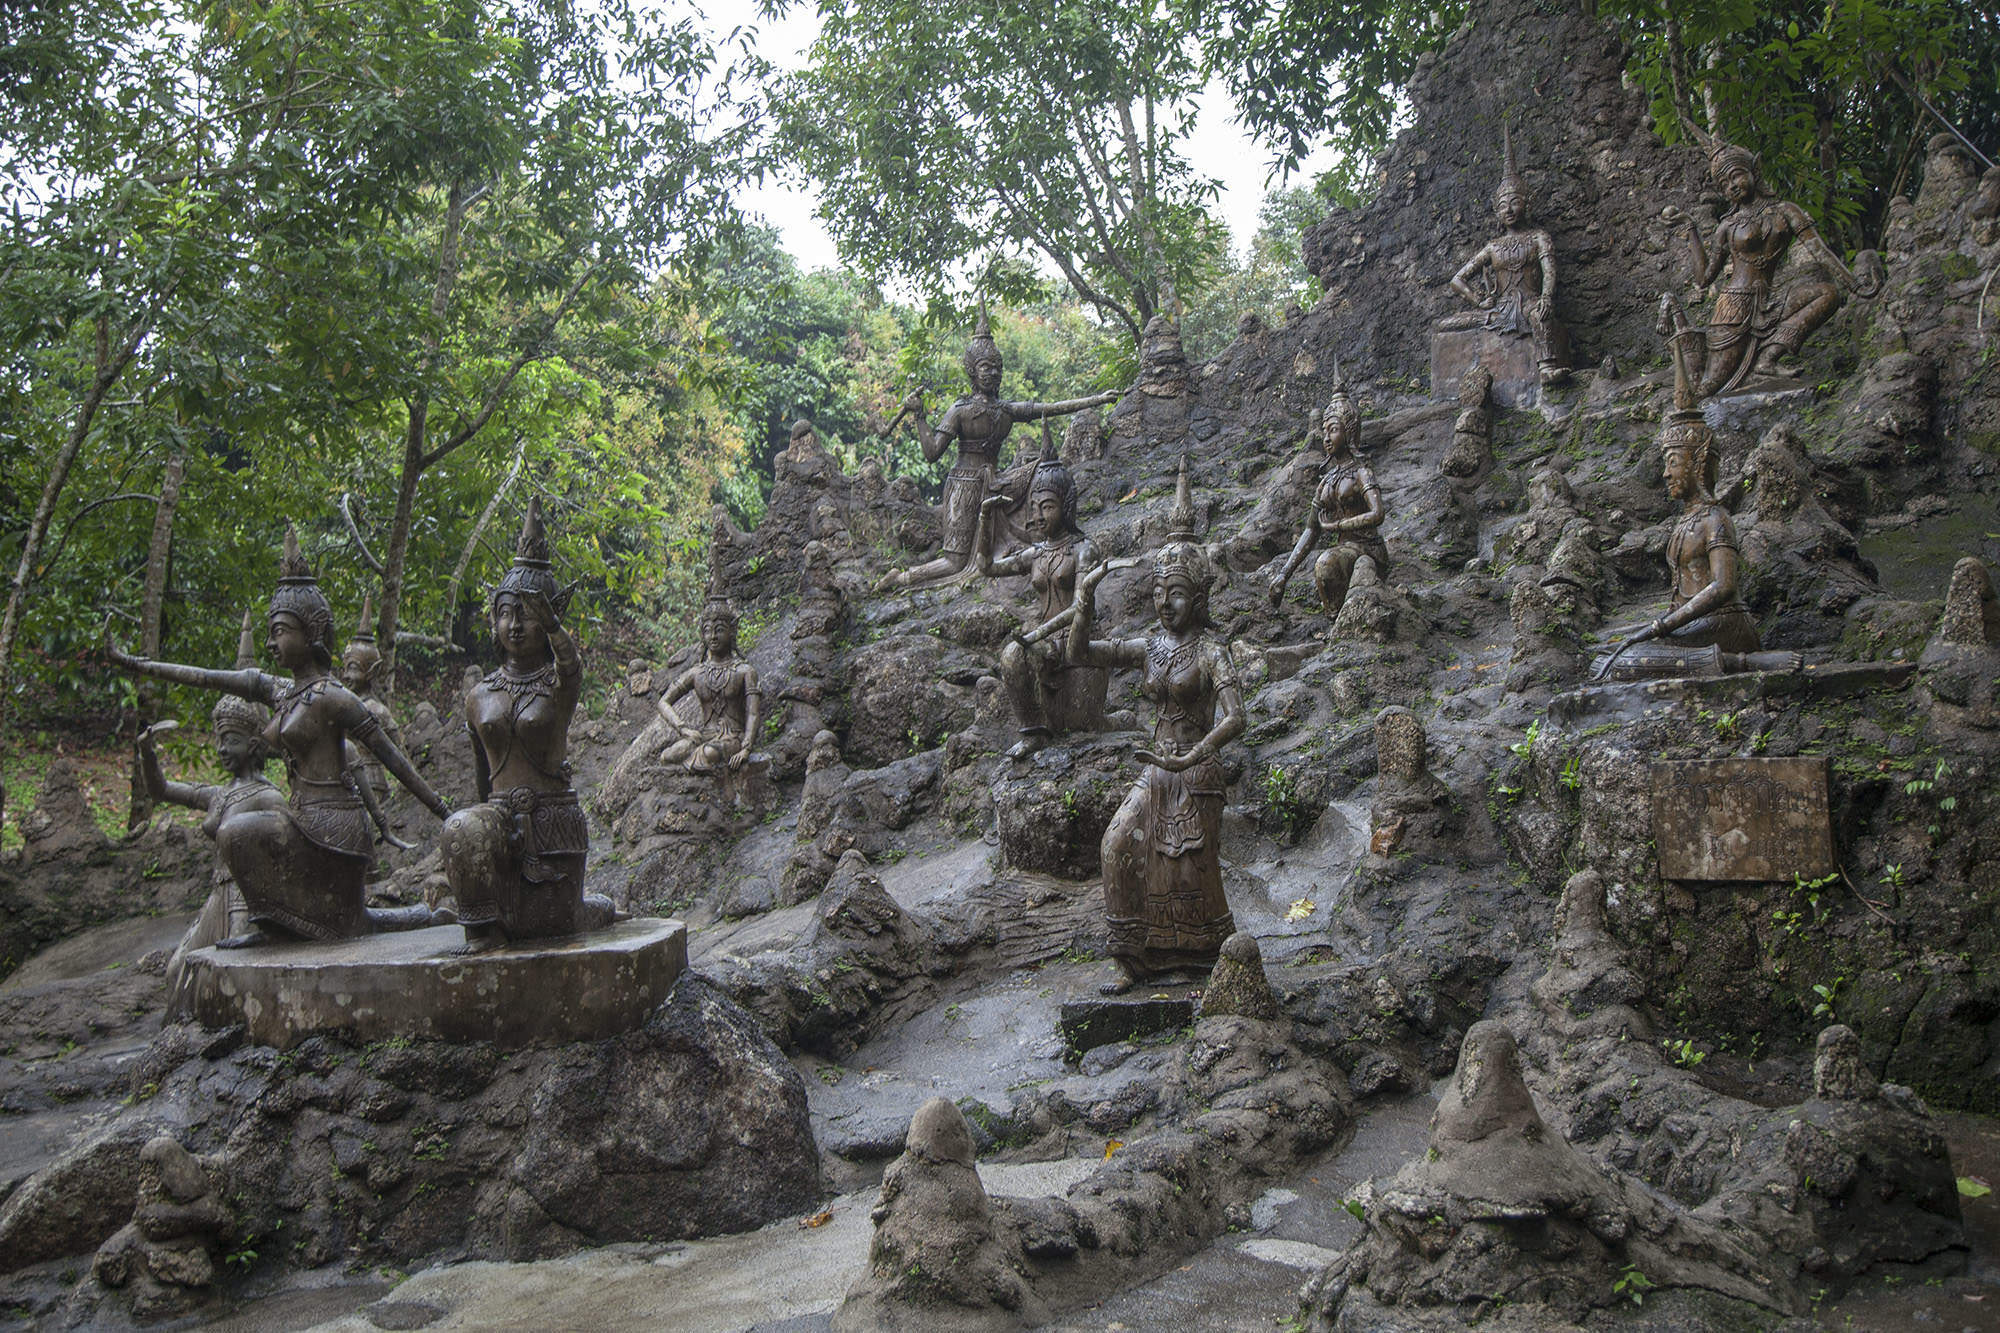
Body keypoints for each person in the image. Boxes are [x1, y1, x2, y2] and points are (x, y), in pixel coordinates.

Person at [108, 529, 448, 946]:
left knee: (246, 840)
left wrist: (441, 810)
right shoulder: (281, 691)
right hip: (298, 822)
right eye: (270, 632)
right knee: (237, 833)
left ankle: (315, 921)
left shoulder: (334, 698)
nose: (271, 643)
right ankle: (275, 923)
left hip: (335, 832)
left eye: (281, 631)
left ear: (313, 633)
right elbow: (209, 678)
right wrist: (143, 666)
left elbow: (394, 759)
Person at [1067, 461, 1245, 995]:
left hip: (1198, 767)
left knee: (1189, 869)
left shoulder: (1212, 649)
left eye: (1178, 595)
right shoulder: (1150, 646)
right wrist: (1083, 602)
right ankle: (1132, 957)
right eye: (1159, 594)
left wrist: (1193, 758)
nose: (1165, 606)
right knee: (1118, 843)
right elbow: (1081, 654)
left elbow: (1237, 715)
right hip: (1156, 765)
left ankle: (1203, 956)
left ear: (1200, 598)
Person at [440, 499, 614, 952]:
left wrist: (555, 626)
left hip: (552, 828)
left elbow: (572, 667)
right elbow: (482, 779)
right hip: (499, 828)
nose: (514, 625)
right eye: (505, 613)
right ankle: (486, 930)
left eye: (527, 614)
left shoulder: (558, 686)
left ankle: (593, 908)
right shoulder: (479, 695)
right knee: (462, 827)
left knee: (553, 925)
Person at [877, 310, 1120, 591]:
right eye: (985, 367)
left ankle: (1047, 538)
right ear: (972, 370)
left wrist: (1096, 400)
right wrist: (919, 416)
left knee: (1041, 469)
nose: (992, 373)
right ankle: (902, 578)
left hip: (996, 483)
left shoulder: (1006, 410)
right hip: (964, 487)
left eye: (996, 368)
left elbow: (1048, 408)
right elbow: (932, 453)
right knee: (955, 562)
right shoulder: (959, 410)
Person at [1661, 139, 1882, 397]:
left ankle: (1767, 360)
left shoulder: (1785, 211)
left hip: (1771, 302)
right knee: (1707, 389)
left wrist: (1854, 284)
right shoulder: (1727, 226)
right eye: (1724, 185)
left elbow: (1819, 251)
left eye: (1736, 176)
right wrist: (1690, 228)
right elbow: (1703, 278)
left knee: (1828, 294)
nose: (1732, 186)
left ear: (1754, 170)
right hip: (1733, 311)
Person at [973, 433, 1109, 761]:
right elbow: (986, 567)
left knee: (1083, 727)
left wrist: (1035, 635)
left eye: (1048, 506)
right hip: (1047, 642)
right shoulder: (1035, 553)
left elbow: (1080, 607)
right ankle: (1033, 732)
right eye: (1036, 507)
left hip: (1077, 641)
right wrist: (985, 519)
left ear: (1066, 506)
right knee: (1011, 656)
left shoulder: (1083, 549)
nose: (1039, 514)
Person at [1439, 121, 1570, 385]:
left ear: (1526, 204)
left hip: (1531, 301)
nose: (1509, 210)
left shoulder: (1539, 237)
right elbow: (1457, 279)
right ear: (1497, 212)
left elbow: (1548, 270)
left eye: (1514, 202)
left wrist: (1546, 297)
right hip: (1499, 308)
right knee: (1445, 326)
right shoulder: (1493, 246)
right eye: (1503, 206)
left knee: (1539, 316)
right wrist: (1478, 301)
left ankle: (1546, 368)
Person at [1270, 369, 1389, 619]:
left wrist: (1339, 524)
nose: (1326, 438)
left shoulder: (1362, 473)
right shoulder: (1325, 482)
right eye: (1325, 431)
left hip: (1368, 550)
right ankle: (1335, 621)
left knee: (1327, 562)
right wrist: (1284, 573)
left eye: (1333, 430)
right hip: (1344, 550)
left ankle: (1340, 621)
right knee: (1328, 561)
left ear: (1349, 432)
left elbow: (1377, 514)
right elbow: (1311, 529)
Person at [656, 594, 765, 801]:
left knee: (708, 754)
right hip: (703, 735)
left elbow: (753, 713)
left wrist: (746, 748)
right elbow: (663, 702)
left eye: (719, 630)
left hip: (732, 737)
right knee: (668, 756)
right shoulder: (697, 672)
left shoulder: (744, 671)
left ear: (732, 631)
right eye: (707, 631)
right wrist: (683, 728)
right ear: (701, 635)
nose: (713, 636)